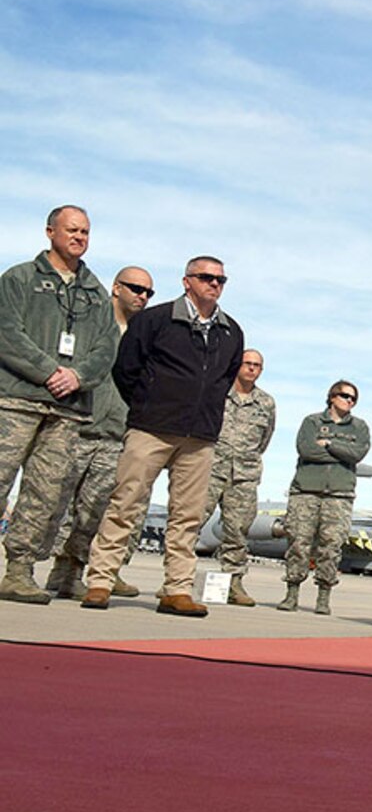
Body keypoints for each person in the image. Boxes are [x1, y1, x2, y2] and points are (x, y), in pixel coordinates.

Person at [82, 255, 246, 615]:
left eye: (221, 279)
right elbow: (126, 368)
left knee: (187, 516)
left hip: (199, 437)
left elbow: (224, 380)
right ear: (187, 280)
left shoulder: (231, 332)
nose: (214, 284)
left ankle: (177, 589)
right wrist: (146, 405)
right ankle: (100, 582)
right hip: (151, 429)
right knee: (125, 504)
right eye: (206, 277)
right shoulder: (155, 320)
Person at [0, 206, 118, 605]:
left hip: (67, 408)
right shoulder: (19, 278)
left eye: (85, 231)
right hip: (17, 399)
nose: (79, 237)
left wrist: (78, 376)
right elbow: (6, 333)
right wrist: (49, 370)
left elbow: (106, 348)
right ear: (50, 232)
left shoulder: (96, 292)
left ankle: (19, 571)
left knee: (44, 493)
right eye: (72, 230)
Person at [44, 267, 154, 599]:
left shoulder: (144, 335)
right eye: (136, 288)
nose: (142, 296)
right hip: (75, 424)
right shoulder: (90, 321)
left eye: (149, 292)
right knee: (50, 502)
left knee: (92, 512)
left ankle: (70, 573)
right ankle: (20, 568)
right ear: (116, 288)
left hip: (114, 433)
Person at [274, 381, 370, 615]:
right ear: (332, 397)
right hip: (306, 491)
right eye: (345, 396)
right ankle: (292, 593)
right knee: (298, 541)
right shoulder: (312, 422)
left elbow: (357, 454)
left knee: (331, 545)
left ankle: (323, 596)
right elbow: (306, 450)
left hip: (339, 495)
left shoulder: (359, 427)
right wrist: (340, 454)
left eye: (353, 398)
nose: (349, 401)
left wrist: (329, 444)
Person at [205, 349, 276, 606]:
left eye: (257, 365)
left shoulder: (266, 403)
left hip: (244, 476)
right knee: (190, 523)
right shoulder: (216, 391)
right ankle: (176, 581)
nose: (252, 369)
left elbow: (264, 440)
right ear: (237, 365)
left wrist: (245, 460)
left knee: (238, 531)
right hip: (211, 468)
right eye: (247, 363)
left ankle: (234, 583)